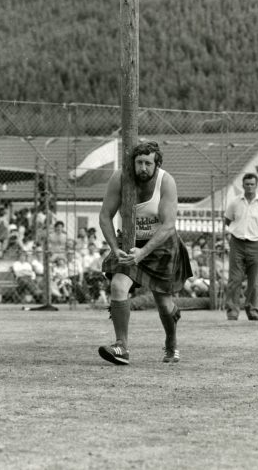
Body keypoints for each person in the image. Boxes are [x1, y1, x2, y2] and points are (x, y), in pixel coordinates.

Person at [98, 140, 192, 365]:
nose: (142, 168)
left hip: (161, 245)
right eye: (139, 162)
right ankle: (121, 346)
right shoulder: (120, 178)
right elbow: (104, 216)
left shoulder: (166, 182)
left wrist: (143, 252)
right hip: (131, 242)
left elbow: (168, 225)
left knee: (164, 304)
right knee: (118, 285)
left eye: (148, 163)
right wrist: (115, 248)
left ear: (156, 164)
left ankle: (171, 342)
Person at [225, 173, 258, 321]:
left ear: (256, 185)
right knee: (235, 279)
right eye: (247, 184)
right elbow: (228, 220)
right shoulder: (234, 202)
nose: (249, 187)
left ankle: (252, 310)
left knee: (254, 280)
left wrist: (257, 234)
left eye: (252, 184)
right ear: (243, 185)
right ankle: (232, 310)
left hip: (255, 243)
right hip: (237, 242)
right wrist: (236, 232)